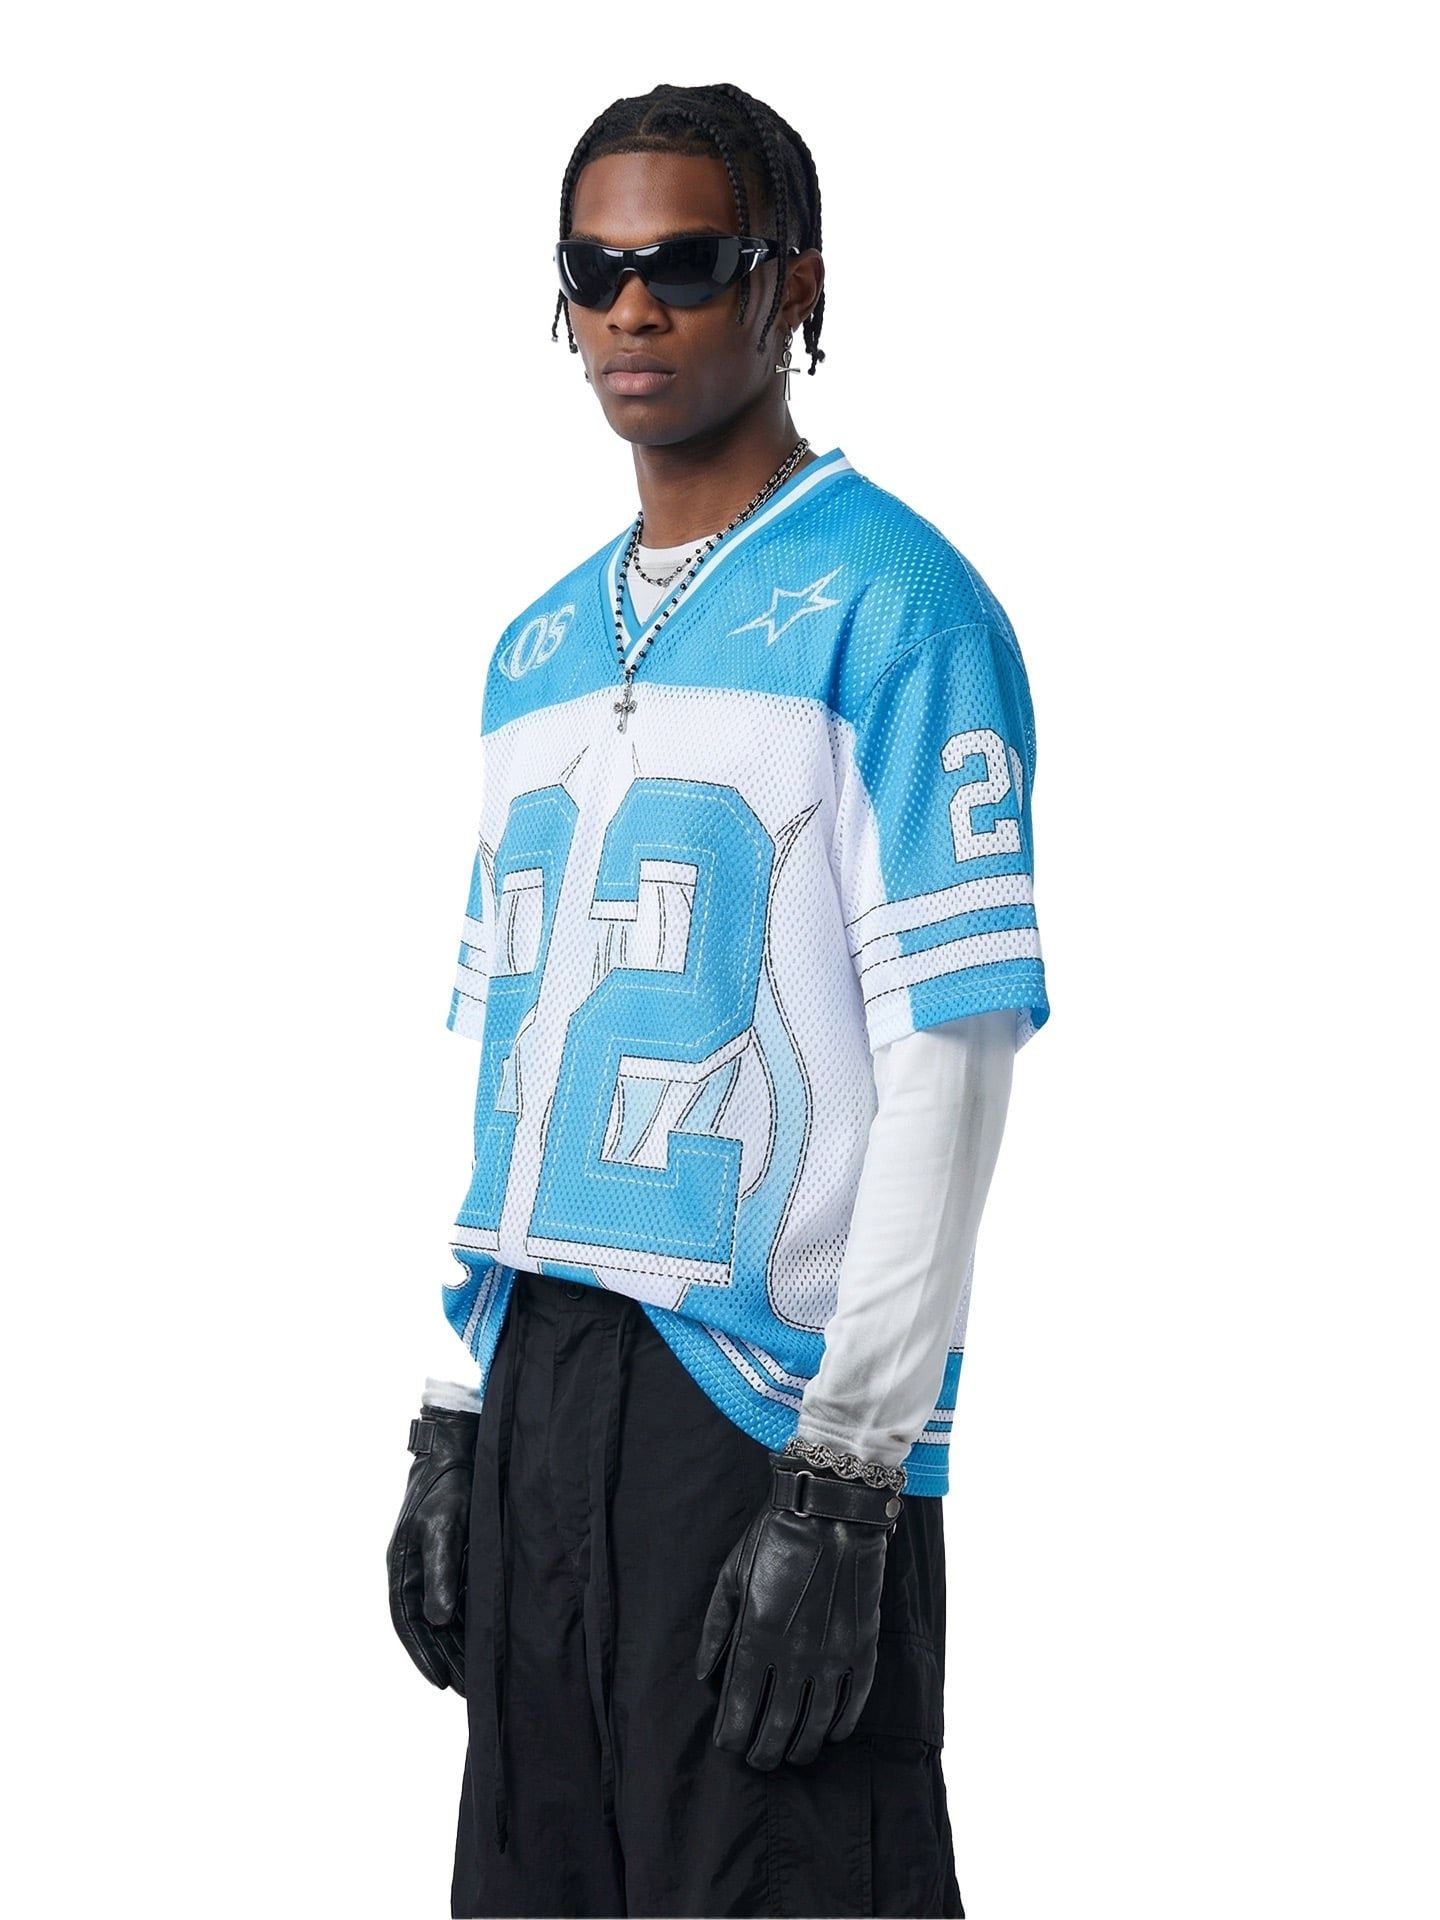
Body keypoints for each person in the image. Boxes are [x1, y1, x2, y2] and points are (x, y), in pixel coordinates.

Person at [386, 80, 1051, 1920]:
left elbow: (950, 1058)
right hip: (538, 1377)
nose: (634, 308)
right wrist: (453, 1403)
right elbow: (509, 1055)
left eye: (686, 263)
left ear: (793, 285)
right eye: (593, 271)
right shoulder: (531, 646)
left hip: (757, 1407)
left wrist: (851, 1475)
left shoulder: (901, 607)